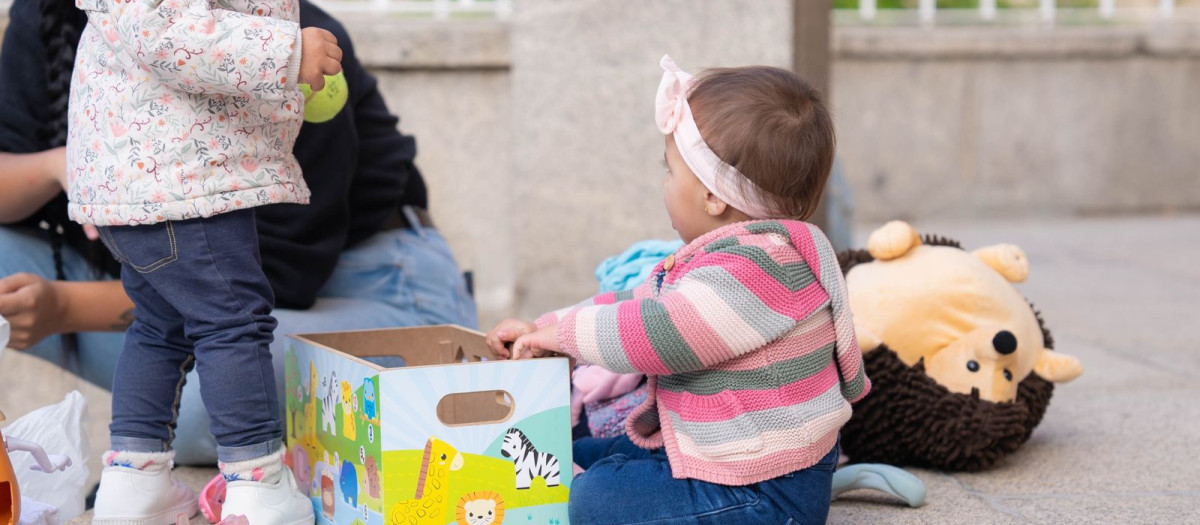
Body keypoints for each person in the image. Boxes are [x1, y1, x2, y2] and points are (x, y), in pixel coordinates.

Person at [0, 0, 475, 507]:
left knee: (200, 362)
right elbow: (165, 31)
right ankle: (242, 486)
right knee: (209, 332)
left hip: (367, 281)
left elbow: (286, 271)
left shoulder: (300, 38)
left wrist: (65, 306)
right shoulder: (62, 17)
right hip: (179, 226)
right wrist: (69, 165)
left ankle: (149, 483)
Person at [486, 56, 869, 525]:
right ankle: (598, 470)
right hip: (725, 454)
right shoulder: (734, 255)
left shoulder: (761, 267)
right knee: (576, 451)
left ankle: (593, 485)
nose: (665, 184)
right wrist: (548, 328)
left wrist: (566, 341)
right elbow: (639, 301)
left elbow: (660, 331)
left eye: (670, 171)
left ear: (713, 195)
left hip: (768, 492)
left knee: (595, 500)